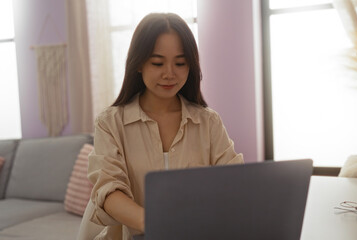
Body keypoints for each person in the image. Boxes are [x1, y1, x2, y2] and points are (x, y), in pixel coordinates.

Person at [77, 13, 244, 239]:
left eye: (180, 63)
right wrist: (157, 223)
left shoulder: (208, 122)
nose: (169, 73)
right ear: (138, 63)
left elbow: (234, 182)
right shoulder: (110, 123)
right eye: (157, 63)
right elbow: (108, 190)